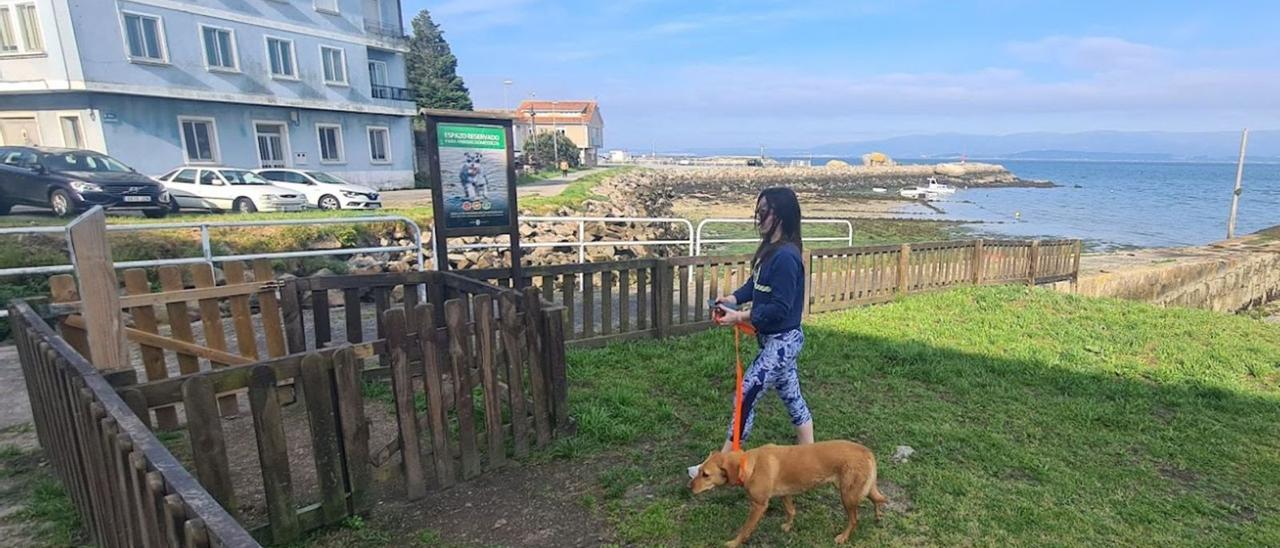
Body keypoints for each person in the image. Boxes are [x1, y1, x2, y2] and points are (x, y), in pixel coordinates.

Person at [689, 188, 813, 477]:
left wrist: (740, 317)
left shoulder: (785, 258)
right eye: (757, 211)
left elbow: (780, 309)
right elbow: (755, 286)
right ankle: (810, 457)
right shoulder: (770, 252)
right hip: (774, 341)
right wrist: (731, 299)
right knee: (793, 398)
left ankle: (718, 466)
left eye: (763, 212)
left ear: (779, 216)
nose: (758, 218)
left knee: (744, 397)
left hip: (782, 343)